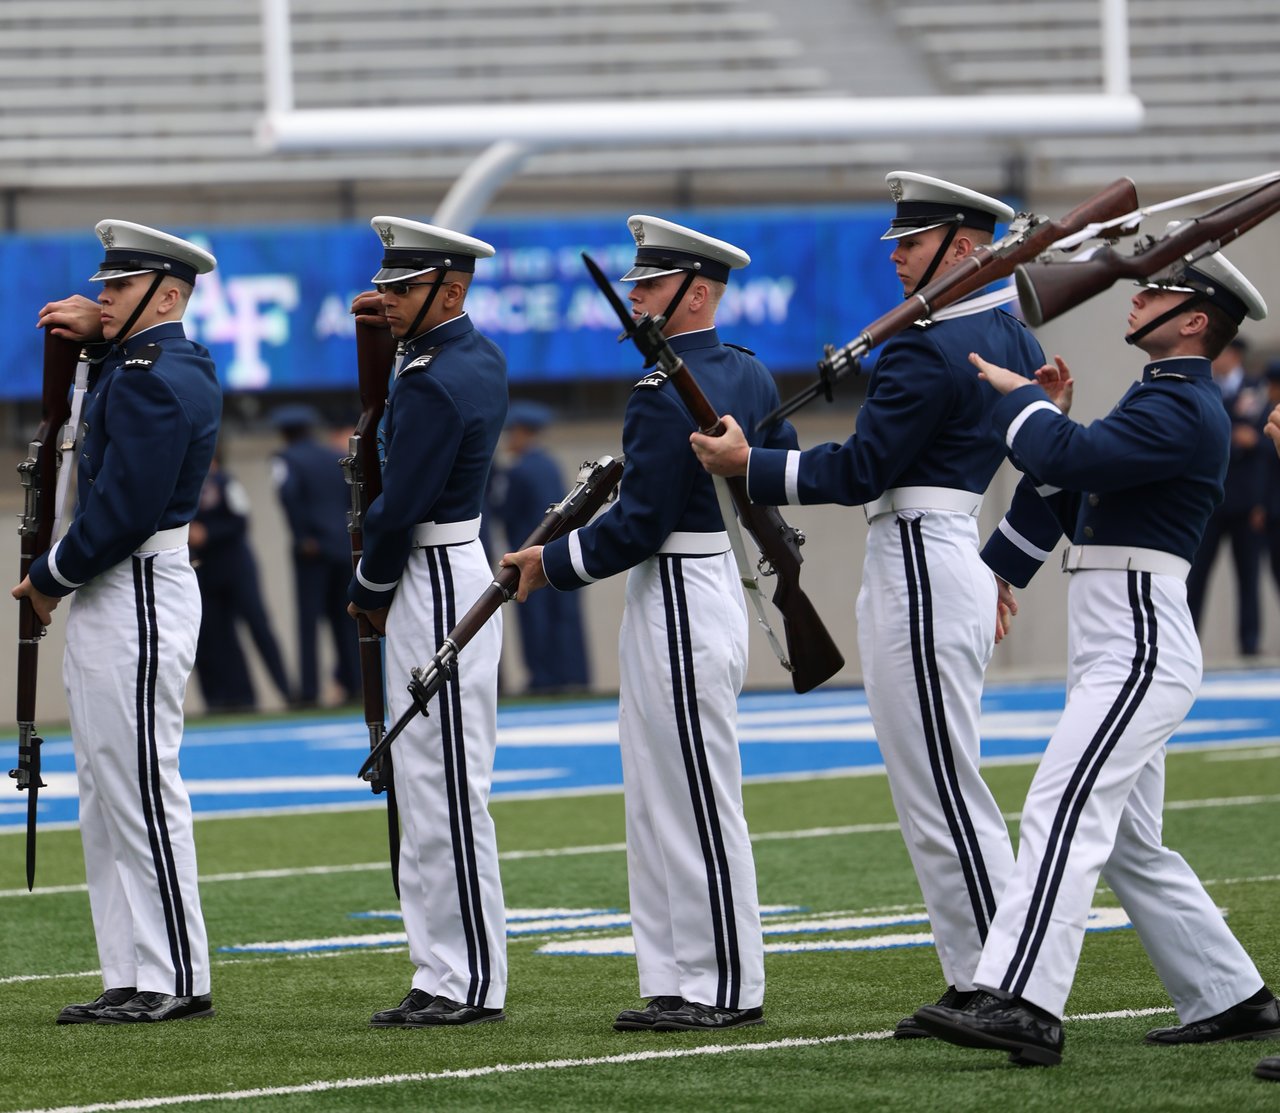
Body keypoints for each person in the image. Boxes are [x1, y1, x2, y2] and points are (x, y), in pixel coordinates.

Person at [691, 173, 1045, 1035]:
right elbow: (1040, 464)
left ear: (962, 247)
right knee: (937, 781)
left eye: (911, 245)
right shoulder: (1011, 334)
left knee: (939, 786)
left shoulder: (928, 344)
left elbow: (861, 471)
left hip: (921, 559)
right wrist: (1004, 562)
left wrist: (753, 469)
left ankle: (1006, 981)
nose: (896, 261)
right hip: (949, 548)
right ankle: (979, 976)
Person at [911, 247, 1280, 1065]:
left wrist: (1021, 406)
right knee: (1126, 840)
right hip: (1121, 635)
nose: (1137, 295)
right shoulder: (1161, 400)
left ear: (1192, 320)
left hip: (1139, 639)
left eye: (1158, 290)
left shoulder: (1184, 404)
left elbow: (1072, 459)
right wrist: (1003, 566)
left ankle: (1023, 1002)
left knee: (1062, 806)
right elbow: (1075, 486)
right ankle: (1232, 992)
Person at [503, 215, 798, 1032]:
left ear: (694, 293)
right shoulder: (748, 372)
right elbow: (773, 467)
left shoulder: (664, 389)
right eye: (634, 283)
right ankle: (675, 976)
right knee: (660, 791)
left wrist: (549, 562)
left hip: (676, 587)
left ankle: (724, 984)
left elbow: (638, 523)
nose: (635, 297)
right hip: (698, 587)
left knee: (691, 793)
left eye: (651, 285)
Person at [16, 220, 219, 1024]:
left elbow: (124, 509)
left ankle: (175, 974)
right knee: (105, 789)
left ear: (165, 296)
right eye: (104, 286)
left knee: (138, 783)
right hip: (119, 587)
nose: (103, 299)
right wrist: (93, 348)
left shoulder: (151, 375)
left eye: (119, 288)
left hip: (133, 583)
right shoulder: (143, 363)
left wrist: (48, 577)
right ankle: (131, 969)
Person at [347, 216, 509, 1027]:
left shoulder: (433, 377)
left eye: (402, 289)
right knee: (430, 782)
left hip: (431, 572)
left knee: (442, 786)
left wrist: (370, 583)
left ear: (448, 287)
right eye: (385, 286)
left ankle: (464, 977)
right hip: (447, 565)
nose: (388, 301)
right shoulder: (461, 356)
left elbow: (398, 505)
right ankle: (443, 967)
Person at [487, 400, 590, 693]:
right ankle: (573, 675)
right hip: (558, 553)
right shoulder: (549, 464)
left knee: (536, 619)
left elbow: (503, 511)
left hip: (530, 555)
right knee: (565, 617)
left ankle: (543, 677)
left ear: (521, 433)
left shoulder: (519, 471)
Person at [271, 404, 361, 707]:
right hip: (341, 545)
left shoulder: (285, 460)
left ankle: (309, 691)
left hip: (313, 550)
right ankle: (355, 684)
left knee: (308, 621)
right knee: (345, 619)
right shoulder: (332, 457)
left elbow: (289, 496)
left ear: (284, 433)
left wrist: (302, 537)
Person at [1184, 335, 1268, 655]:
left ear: (1233, 356)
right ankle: (1187, 646)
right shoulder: (1201, 388)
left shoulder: (1257, 389)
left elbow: (1264, 444)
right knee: (1197, 576)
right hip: (1209, 503)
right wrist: (1236, 435)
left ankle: (1250, 646)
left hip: (1246, 502)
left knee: (1249, 577)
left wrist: (1252, 441)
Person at [191, 451, 293, 712]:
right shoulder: (185, 484)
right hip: (205, 570)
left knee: (258, 625)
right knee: (215, 635)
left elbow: (241, 520)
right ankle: (230, 698)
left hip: (236, 567)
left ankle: (289, 691)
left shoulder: (226, 481)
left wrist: (208, 534)